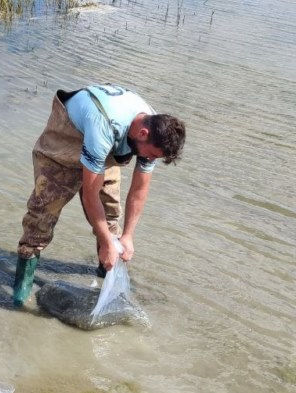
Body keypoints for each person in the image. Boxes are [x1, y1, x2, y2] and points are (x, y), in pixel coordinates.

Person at [12, 84, 186, 306]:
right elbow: (90, 195)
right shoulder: (104, 125)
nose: (150, 159)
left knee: (111, 216)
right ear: (143, 134)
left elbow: (139, 190)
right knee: (42, 214)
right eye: (151, 155)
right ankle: (21, 288)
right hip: (66, 137)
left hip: (104, 147)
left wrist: (128, 236)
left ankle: (108, 273)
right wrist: (105, 242)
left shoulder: (154, 132)